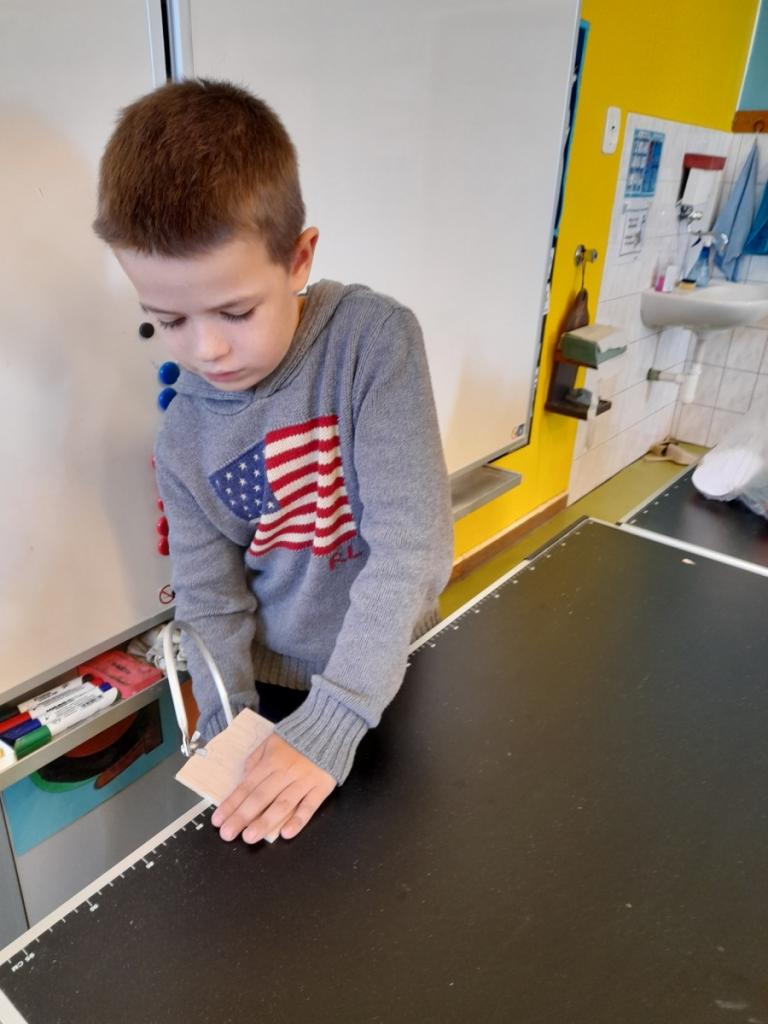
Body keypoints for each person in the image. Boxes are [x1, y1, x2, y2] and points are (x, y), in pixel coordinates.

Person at [93, 78, 453, 845]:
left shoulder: (373, 341)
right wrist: (231, 728)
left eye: (235, 311)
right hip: (273, 686)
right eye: (168, 320)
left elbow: (411, 548)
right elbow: (210, 600)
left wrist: (338, 717)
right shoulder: (184, 436)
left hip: (389, 664)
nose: (207, 349)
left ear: (298, 258)